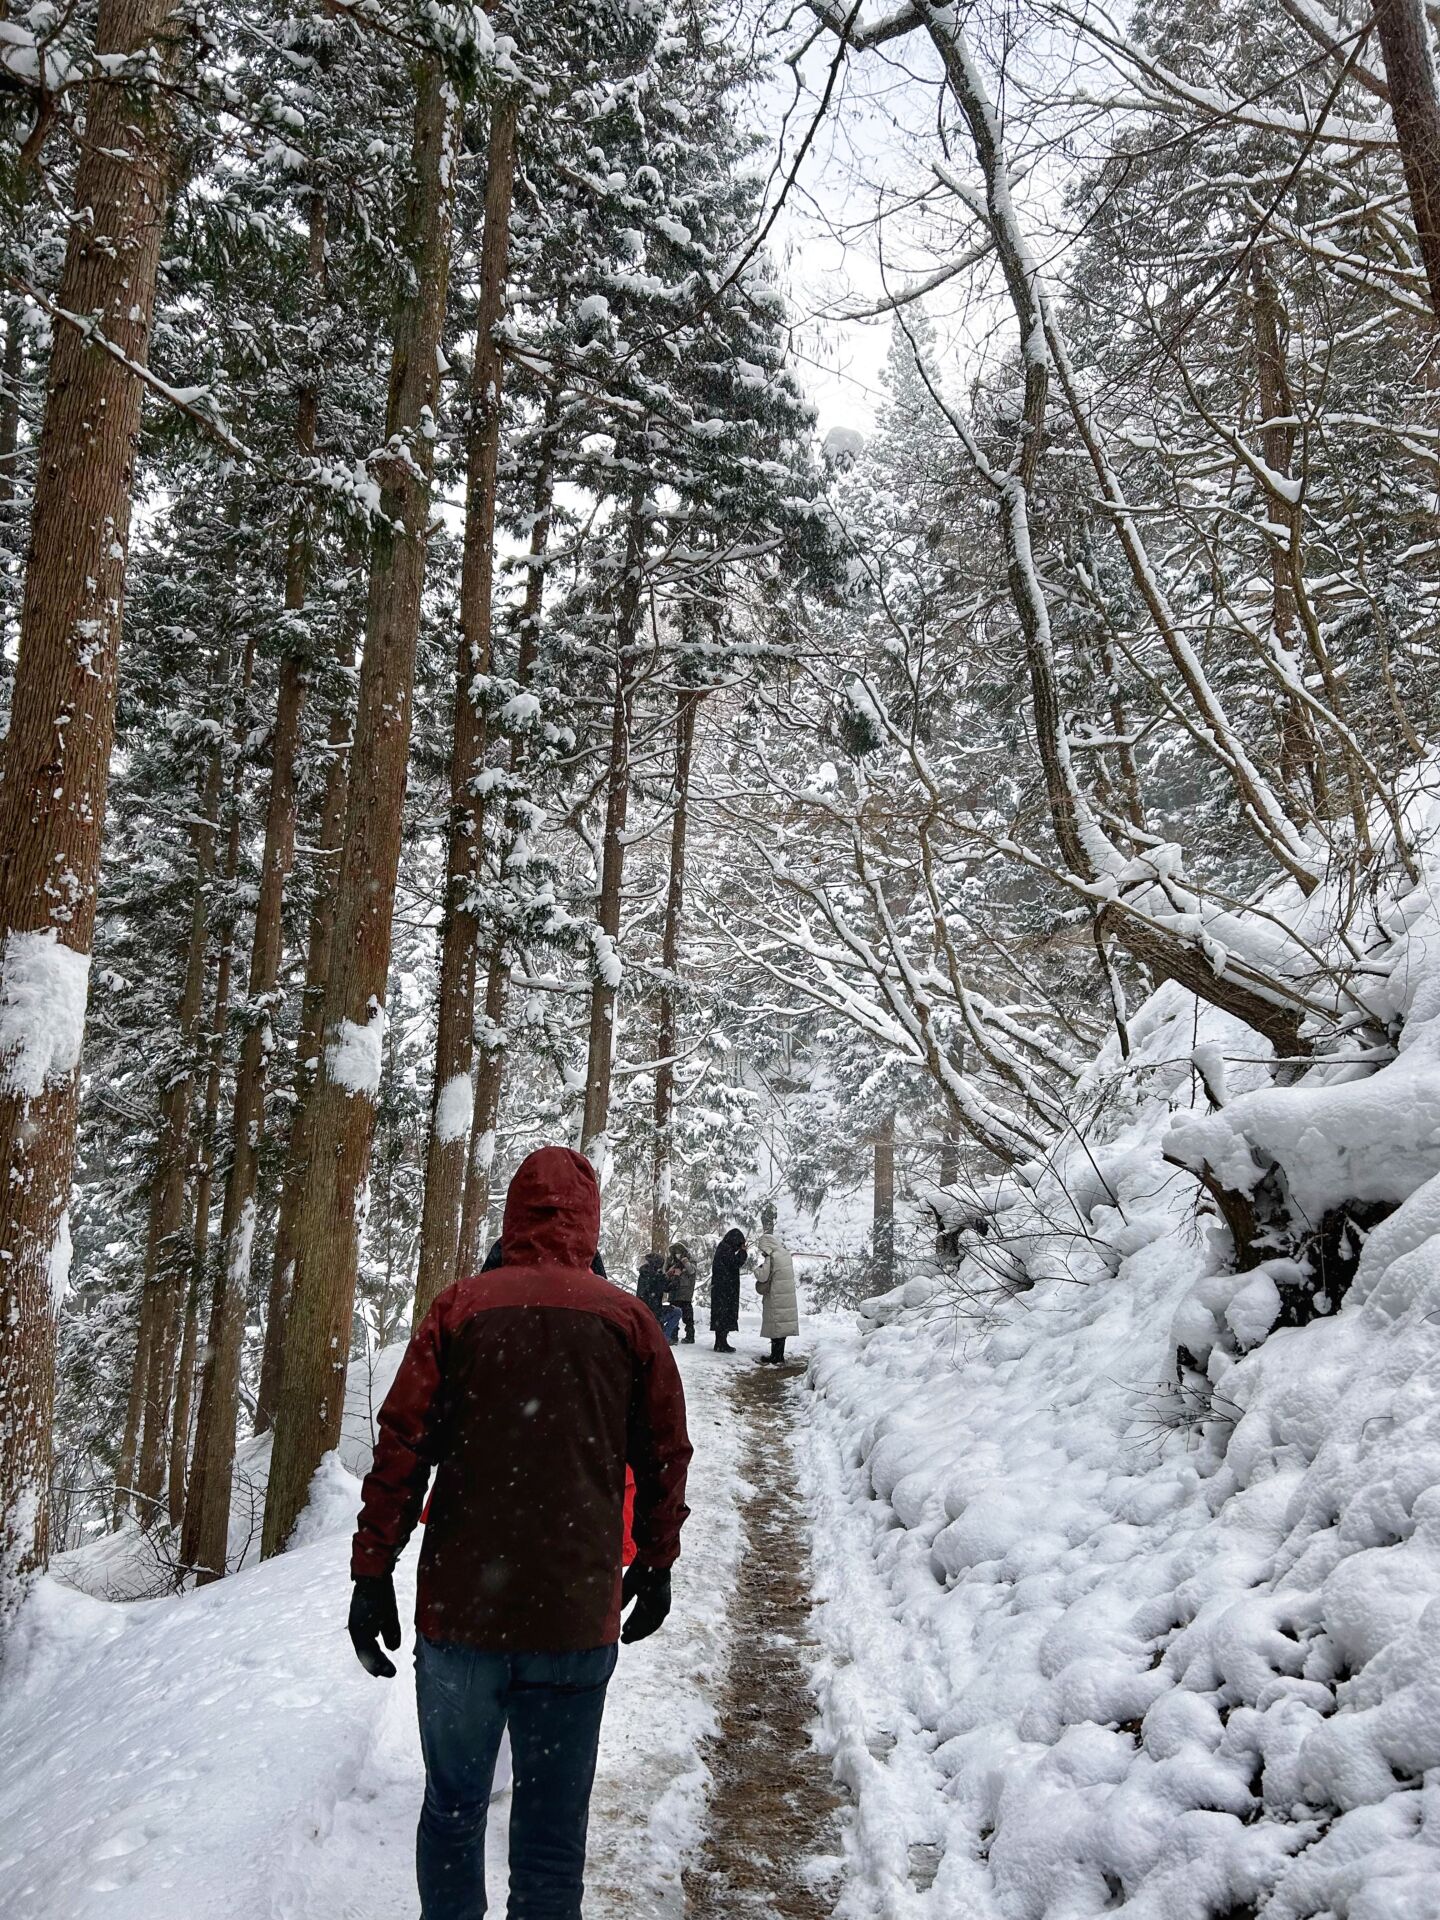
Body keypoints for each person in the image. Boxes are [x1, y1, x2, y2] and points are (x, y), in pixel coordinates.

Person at [347, 1145, 692, 1920]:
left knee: (454, 1811)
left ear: (512, 1217)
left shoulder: (460, 1308)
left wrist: (373, 1573)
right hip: (573, 1617)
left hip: (463, 1616)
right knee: (549, 1838)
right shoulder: (628, 1320)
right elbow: (666, 1455)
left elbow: (402, 1448)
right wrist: (658, 1561)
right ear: (589, 1222)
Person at [754, 1226, 799, 1363]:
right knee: (781, 1327)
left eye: (762, 1249)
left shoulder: (771, 1257)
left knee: (776, 1327)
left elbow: (762, 1276)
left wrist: (757, 1269)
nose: (762, 1252)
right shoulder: (785, 1254)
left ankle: (775, 1357)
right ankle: (779, 1355)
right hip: (786, 1296)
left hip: (776, 1296)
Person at [709, 1227, 747, 1354]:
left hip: (722, 1289)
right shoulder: (726, 1250)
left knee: (721, 1316)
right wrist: (743, 1253)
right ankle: (721, 1343)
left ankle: (721, 1342)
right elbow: (735, 1263)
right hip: (725, 1290)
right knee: (724, 1315)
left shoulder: (723, 1248)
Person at [664, 1241, 697, 1344]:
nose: (677, 1253)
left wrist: (685, 1262)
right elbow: (665, 1273)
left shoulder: (690, 1260)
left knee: (687, 1316)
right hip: (674, 1291)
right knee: (674, 1314)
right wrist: (672, 1270)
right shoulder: (671, 1260)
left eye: (679, 1251)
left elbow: (692, 1270)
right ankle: (673, 1336)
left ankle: (690, 1336)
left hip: (685, 1293)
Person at [636, 1249, 667, 1319]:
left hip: (642, 1309)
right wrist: (675, 1276)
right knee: (676, 1312)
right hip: (653, 1311)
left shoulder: (644, 1273)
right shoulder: (654, 1276)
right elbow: (666, 1287)